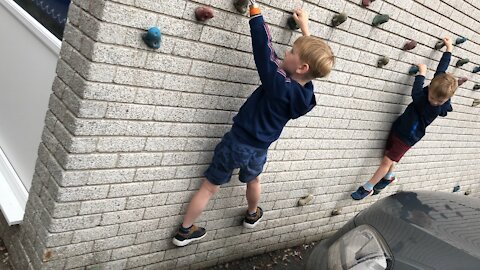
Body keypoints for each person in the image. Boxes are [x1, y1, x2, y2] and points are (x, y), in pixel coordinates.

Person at [172, 4, 335, 246]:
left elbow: (264, 52)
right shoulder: (305, 95)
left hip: (236, 143)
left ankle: (184, 232)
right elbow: (308, 61)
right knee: (254, 180)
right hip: (259, 150)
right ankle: (252, 214)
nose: (285, 54)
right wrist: (304, 28)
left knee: (208, 188)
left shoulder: (278, 84)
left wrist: (257, 16)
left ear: (302, 67)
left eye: (290, 52)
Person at [351, 37, 457, 200]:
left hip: (408, 137)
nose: (434, 102)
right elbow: (442, 69)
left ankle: (368, 187)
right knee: (388, 155)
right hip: (401, 126)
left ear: (446, 99)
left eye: (439, 101)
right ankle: (389, 177)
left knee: (386, 161)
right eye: (433, 97)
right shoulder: (440, 90)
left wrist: (421, 74)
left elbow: (415, 92)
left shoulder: (427, 102)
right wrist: (448, 49)